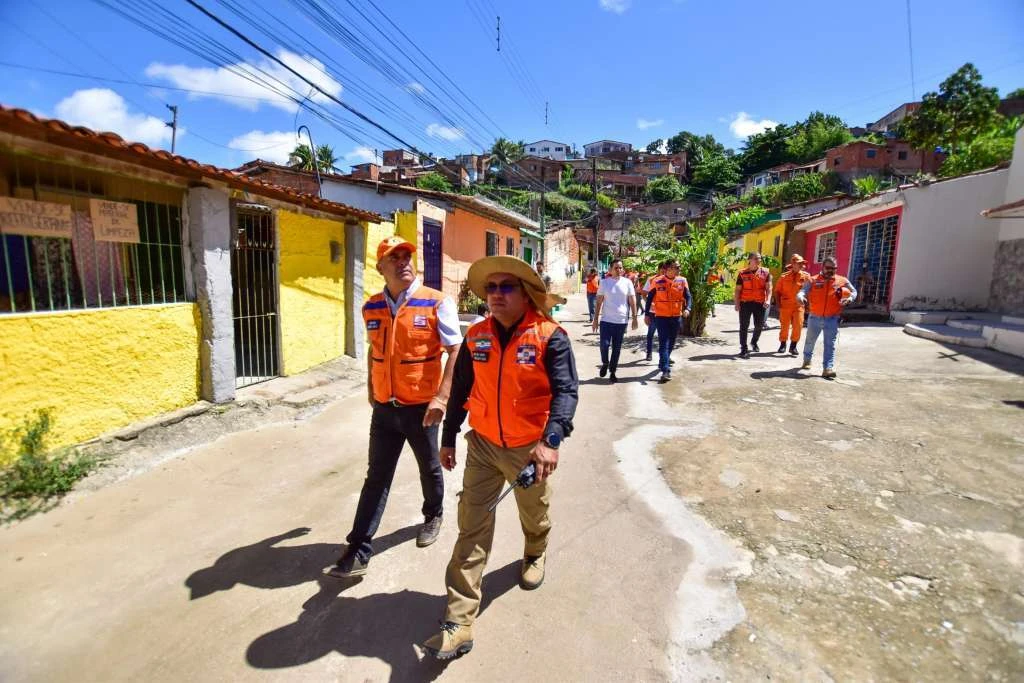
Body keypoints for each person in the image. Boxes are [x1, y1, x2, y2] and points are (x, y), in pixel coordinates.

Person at [423, 255, 578, 659]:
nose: (495, 295)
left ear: (525, 294)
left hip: (530, 448)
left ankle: (535, 549)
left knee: (534, 512)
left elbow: (566, 393)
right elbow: (460, 391)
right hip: (484, 446)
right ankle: (459, 621)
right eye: (490, 288)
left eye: (505, 287)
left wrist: (551, 440)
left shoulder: (550, 336)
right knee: (471, 526)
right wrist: (450, 436)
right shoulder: (476, 337)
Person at [327, 236, 462, 579]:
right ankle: (358, 549)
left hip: (423, 407)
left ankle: (433, 514)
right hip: (385, 408)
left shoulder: (436, 302)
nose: (403, 261)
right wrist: (373, 390)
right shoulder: (371, 306)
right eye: (394, 257)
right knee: (377, 476)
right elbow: (376, 352)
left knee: (429, 467)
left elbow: (455, 351)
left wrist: (442, 398)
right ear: (380, 267)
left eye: (406, 255)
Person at [798, 256, 856, 379]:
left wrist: (850, 298)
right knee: (810, 341)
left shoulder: (842, 280)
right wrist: (800, 296)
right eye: (828, 268)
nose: (831, 270)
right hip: (814, 317)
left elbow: (854, 291)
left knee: (830, 344)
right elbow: (803, 290)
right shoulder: (812, 279)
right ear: (822, 267)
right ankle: (807, 360)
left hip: (832, 318)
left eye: (833, 268)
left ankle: (827, 368)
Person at [591, 258, 639, 383]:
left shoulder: (627, 282)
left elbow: (632, 300)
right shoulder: (604, 283)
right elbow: (599, 302)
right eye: (616, 268)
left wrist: (634, 317)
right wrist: (595, 319)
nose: (619, 270)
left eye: (620, 268)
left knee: (617, 348)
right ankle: (605, 362)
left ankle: (612, 371)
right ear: (610, 269)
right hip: (606, 321)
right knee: (604, 345)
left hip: (621, 321)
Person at [644, 259, 691, 383]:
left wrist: (688, 308)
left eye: (678, 267)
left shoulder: (682, 280)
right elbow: (649, 298)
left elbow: (688, 296)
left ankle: (662, 361)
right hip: (661, 317)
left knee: (671, 343)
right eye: (676, 267)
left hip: (676, 316)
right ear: (668, 269)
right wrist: (647, 314)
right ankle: (666, 370)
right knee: (663, 343)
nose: (679, 269)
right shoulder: (657, 281)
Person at [734, 252, 773, 359]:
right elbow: (737, 290)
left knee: (759, 325)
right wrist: (737, 303)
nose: (759, 260)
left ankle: (754, 342)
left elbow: (769, 288)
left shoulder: (765, 272)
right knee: (744, 326)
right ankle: (743, 348)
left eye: (760, 258)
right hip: (745, 302)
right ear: (750, 260)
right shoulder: (742, 273)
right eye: (756, 258)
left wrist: (768, 300)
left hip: (760, 303)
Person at [773, 254, 812, 356]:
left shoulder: (806, 276)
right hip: (785, 305)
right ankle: (783, 344)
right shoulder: (784, 276)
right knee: (784, 326)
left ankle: (793, 346)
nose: (801, 265)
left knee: (798, 325)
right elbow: (777, 291)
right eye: (799, 263)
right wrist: (778, 304)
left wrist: (809, 306)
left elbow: (809, 292)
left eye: (802, 263)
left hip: (799, 305)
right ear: (793, 264)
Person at [641, 263, 667, 362]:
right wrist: (649, 303)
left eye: (665, 270)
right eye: (662, 270)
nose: (664, 272)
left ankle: (665, 356)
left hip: (665, 312)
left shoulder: (670, 280)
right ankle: (649, 353)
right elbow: (643, 294)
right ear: (658, 270)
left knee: (664, 335)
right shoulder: (651, 279)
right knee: (651, 333)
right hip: (653, 312)